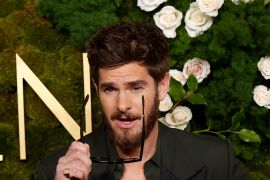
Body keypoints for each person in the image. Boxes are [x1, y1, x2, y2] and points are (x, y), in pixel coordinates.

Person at [37, 21, 252, 180]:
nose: (123, 105)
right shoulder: (51, 172)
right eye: (110, 89)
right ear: (96, 89)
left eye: (136, 87)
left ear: (162, 86)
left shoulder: (215, 162)